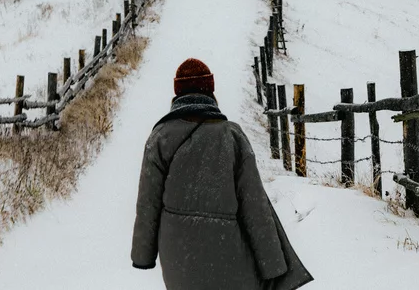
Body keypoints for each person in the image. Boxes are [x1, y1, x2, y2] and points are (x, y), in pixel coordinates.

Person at [131, 58, 313, 290]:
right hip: (227, 252)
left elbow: (148, 204)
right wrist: (273, 265)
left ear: (177, 93)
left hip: (178, 255)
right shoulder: (232, 137)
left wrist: (143, 256)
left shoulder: (160, 138)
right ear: (210, 91)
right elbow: (254, 206)